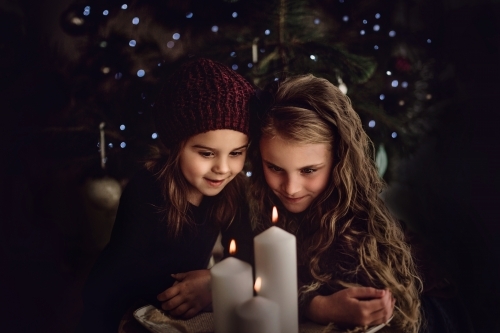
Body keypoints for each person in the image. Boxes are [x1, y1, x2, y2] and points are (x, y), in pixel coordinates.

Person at [79, 57, 255, 333]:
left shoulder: (234, 190)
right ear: (175, 145)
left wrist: (214, 281)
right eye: (206, 153)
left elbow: (246, 252)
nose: (223, 168)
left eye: (236, 153)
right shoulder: (147, 189)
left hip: (179, 311)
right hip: (121, 311)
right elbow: (121, 276)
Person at [248, 74, 422, 332]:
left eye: (309, 170)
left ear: (339, 162)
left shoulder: (358, 232)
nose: (290, 188)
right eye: (275, 167)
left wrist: (320, 307)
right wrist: (314, 305)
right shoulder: (256, 200)